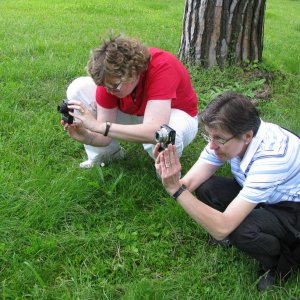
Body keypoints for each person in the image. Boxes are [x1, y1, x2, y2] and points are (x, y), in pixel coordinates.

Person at [154, 92, 300, 291]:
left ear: (247, 136)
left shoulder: (272, 158)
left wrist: (176, 191)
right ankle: (237, 233)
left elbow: (222, 227)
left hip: (291, 209)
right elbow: (191, 182)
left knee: (238, 230)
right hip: (263, 192)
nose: (212, 145)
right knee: (207, 187)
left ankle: (275, 264)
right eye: (210, 136)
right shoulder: (232, 137)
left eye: (219, 139)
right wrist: (169, 173)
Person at [63, 34, 199, 168]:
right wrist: (87, 136)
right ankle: (106, 157)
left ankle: (169, 180)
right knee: (78, 88)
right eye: (104, 86)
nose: (108, 91)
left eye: (114, 86)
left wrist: (98, 126)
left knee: (166, 134)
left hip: (176, 115)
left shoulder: (162, 66)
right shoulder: (110, 79)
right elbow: (105, 135)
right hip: (138, 114)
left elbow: (155, 131)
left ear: (133, 71)